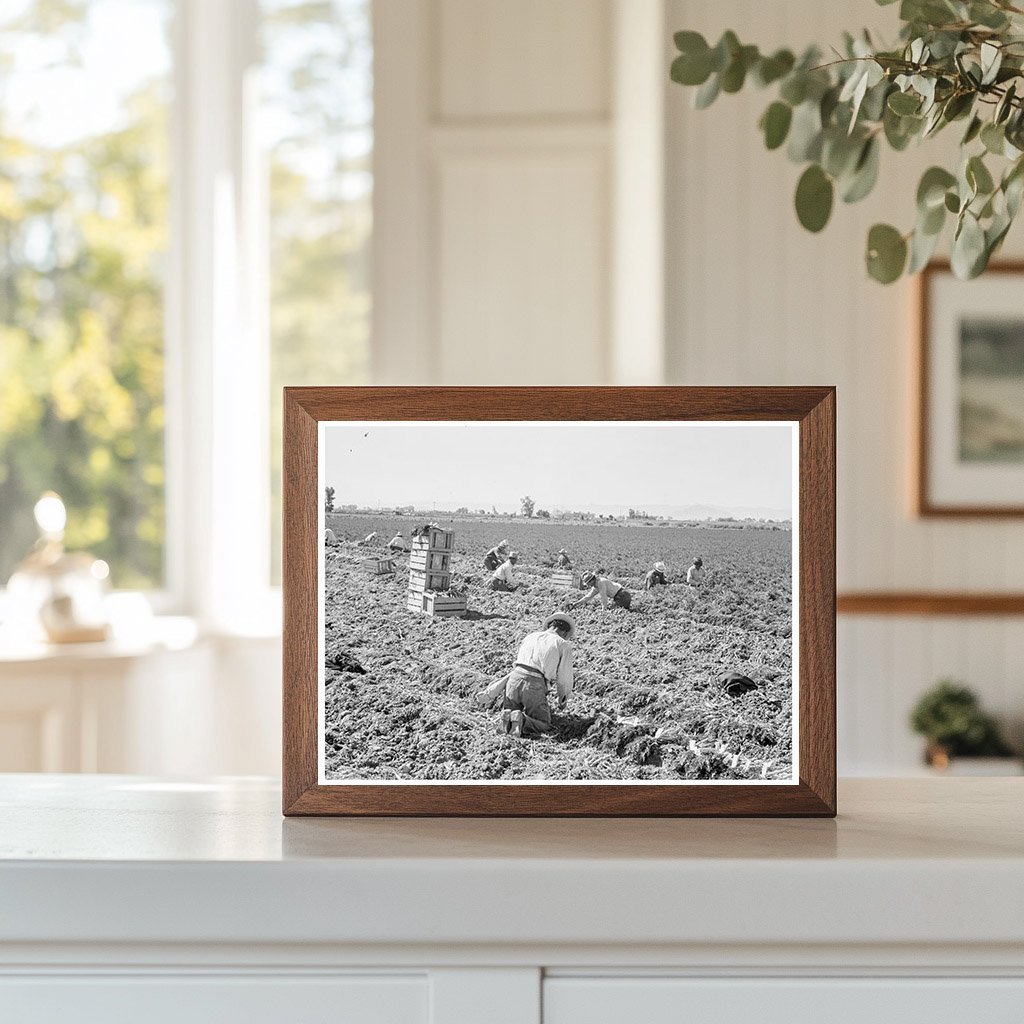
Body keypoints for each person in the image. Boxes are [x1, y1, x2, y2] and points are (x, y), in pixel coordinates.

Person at [497, 613, 576, 738]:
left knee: (511, 712)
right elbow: (563, 678)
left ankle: (507, 719)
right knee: (543, 723)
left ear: (549, 626)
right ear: (565, 633)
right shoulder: (562, 644)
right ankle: (522, 720)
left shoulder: (530, 636)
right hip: (534, 683)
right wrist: (563, 698)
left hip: (514, 678)